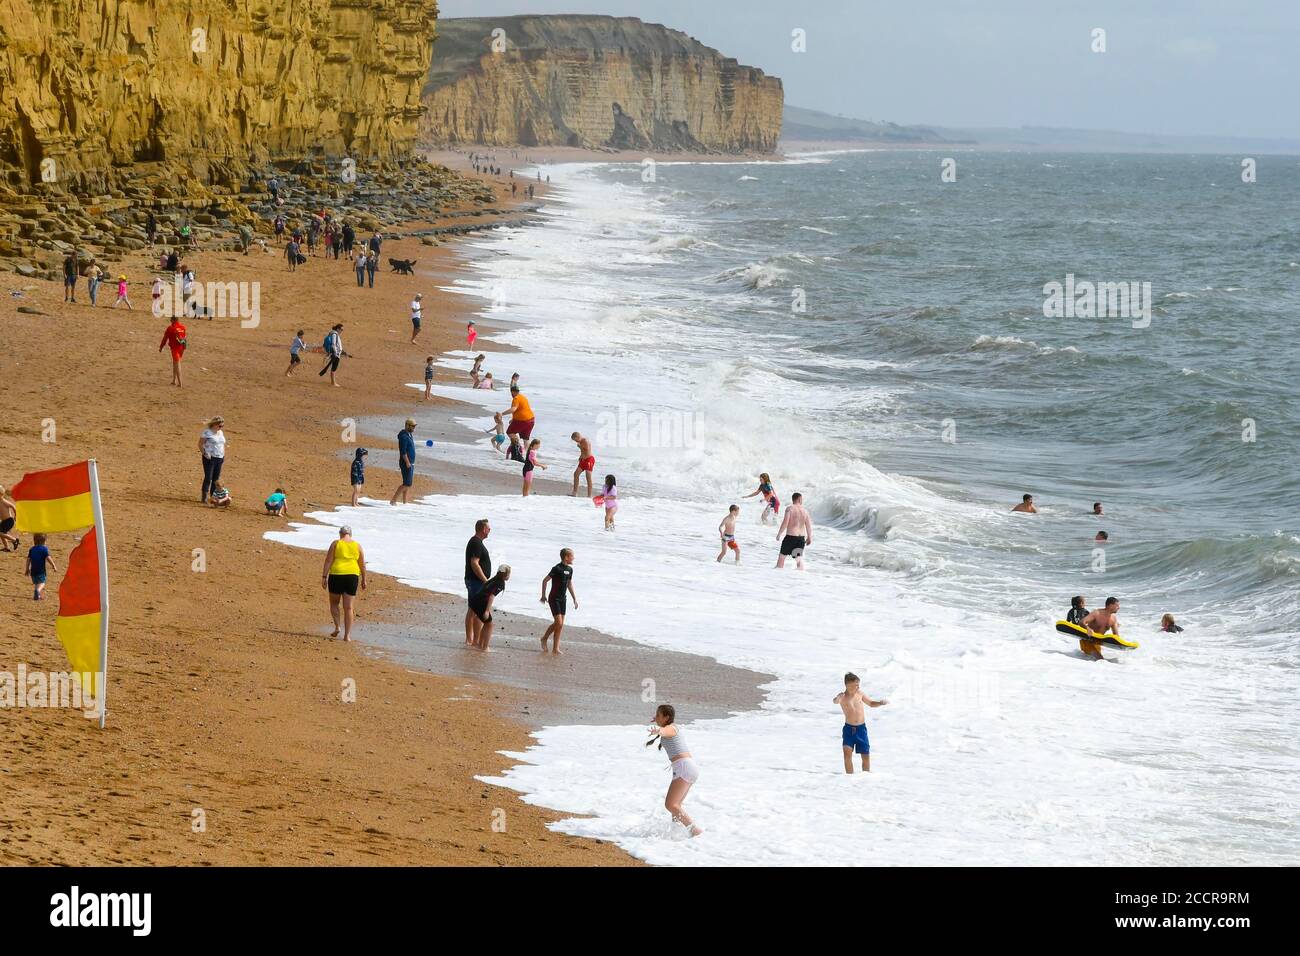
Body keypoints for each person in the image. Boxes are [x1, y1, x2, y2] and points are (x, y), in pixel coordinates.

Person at [647, 704, 702, 837]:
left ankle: (695, 831)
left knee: (670, 804)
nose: (656, 717)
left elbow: (666, 732)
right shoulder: (669, 726)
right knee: (676, 805)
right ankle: (677, 832)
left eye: (659, 715)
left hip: (684, 767)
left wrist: (658, 731)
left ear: (667, 717)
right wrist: (658, 722)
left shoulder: (671, 728)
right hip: (687, 767)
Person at [834, 672, 888, 773]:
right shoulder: (842, 697)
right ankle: (849, 778)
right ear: (848, 685)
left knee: (865, 755)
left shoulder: (860, 694)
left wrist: (880, 703)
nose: (858, 686)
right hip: (848, 730)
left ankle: (865, 779)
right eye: (856, 684)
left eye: (858, 684)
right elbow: (835, 701)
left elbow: (871, 703)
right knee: (847, 755)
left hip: (861, 730)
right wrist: (837, 698)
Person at [322, 526, 367, 641]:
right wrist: (364, 579)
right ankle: (347, 636)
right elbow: (362, 564)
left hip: (337, 575)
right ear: (350, 534)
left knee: (334, 603)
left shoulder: (336, 543)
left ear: (340, 534)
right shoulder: (357, 545)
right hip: (352, 576)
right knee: (348, 607)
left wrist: (324, 576)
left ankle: (337, 627)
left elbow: (328, 560)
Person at [539, 548, 577, 654]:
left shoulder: (570, 570)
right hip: (554, 598)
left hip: (562, 599)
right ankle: (544, 638)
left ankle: (555, 648)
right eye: (572, 556)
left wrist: (574, 598)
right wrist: (543, 595)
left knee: (560, 625)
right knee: (558, 622)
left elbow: (569, 584)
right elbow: (545, 580)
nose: (574, 558)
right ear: (566, 557)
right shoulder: (556, 568)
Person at [464, 519, 492, 646]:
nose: (490, 530)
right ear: (483, 529)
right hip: (475, 581)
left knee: (474, 610)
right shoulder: (476, 543)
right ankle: (470, 639)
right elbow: (474, 564)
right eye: (488, 528)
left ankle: (474, 639)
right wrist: (485, 580)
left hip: (476, 581)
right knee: (474, 610)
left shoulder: (477, 542)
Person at [470, 566, 511, 651]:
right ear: (505, 574)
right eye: (509, 574)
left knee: (486, 623)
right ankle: (485, 647)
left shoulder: (493, 579)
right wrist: (487, 611)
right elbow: (491, 596)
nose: (509, 576)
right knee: (489, 625)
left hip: (475, 600)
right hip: (480, 603)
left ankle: (480, 645)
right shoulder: (500, 583)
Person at [775, 492, 813, 569]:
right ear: (799, 499)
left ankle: (777, 577)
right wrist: (809, 537)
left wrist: (779, 534)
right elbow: (808, 525)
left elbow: (785, 522)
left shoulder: (789, 509)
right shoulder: (805, 511)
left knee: (781, 559)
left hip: (790, 538)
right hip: (801, 539)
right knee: (798, 559)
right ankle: (800, 576)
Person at [199, 416, 226, 503]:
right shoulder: (207, 432)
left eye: (222, 426)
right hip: (210, 458)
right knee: (208, 477)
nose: (221, 428)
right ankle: (204, 497)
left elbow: (221, 444)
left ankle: (213, 497)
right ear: (214, 425)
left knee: (216, 479)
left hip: (220, 457)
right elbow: (200, 444)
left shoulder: (220, 432)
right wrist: (205, 453)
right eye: (220, 426)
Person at [390, 418, 417, 505]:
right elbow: (403, 452)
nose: (414, 428)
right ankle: (393, 500)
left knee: (408, 483)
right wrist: (407, 462)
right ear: (407, 425)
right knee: (407, 483)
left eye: (414, 426)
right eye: (412, 426)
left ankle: (405, 502)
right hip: (406, 463)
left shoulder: (409, 435)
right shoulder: (404, 437)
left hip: (410, 463)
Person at [25, 534, 57, 601]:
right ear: (43, 542)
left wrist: (27, 569)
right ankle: (38, 591)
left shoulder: (32, 549)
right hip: (41, 570)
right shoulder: (44, 549)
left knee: (37, 583)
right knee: (42, 582)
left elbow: (28, 559)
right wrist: (53, 565)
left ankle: (37, 595)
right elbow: (48, 558)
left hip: (33, 570)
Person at [159, 315, 187, 387]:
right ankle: (174, 380)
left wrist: (161, 347)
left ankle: (180, 383)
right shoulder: (183, 327)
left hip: (174, 348)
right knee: (175, 363)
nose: (170, 322)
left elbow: (165, 338)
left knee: (177, 364)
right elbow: (184, 338)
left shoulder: (170, 328)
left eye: (171, 321)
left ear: (173, 320)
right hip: (181, 348)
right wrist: (184, 348)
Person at [570, 432, 595, 497]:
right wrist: (580, 456)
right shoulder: (580, 442)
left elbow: (586, 450)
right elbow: (583, 451)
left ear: (578, 437)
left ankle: (589, 495)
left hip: (589, 460)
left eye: (575, 440)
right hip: (583, 460)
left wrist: (579, 447)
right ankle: (574, 493)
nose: (576, 442)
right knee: (576, 474)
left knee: (588, 477)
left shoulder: (585, 441)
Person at [0, 485, 18, 551]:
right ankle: (6, 547)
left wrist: (15, 516)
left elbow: (13, 506)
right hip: (4, 521)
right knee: (2, 534)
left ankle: (14, 540)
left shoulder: (4, 501)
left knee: (1, 533)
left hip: (9, 521)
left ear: (1, 494)